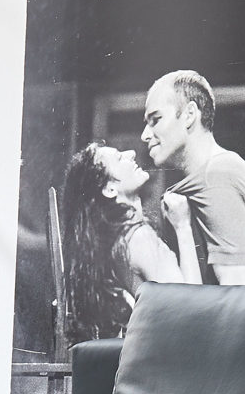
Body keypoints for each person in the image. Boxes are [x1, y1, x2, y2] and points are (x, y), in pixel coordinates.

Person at [140, 70, 245, 284]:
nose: (145, 135)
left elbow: (238, 292)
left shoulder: (216, 179)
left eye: (156, 119)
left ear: (189, 115)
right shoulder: (220, 171)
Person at [59, 141, 199, 343]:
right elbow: (192, 310)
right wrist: (183, 226)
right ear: (109, 189)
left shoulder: (117, 240)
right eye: (119, 157)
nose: (132, 153)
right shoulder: (138, 236)